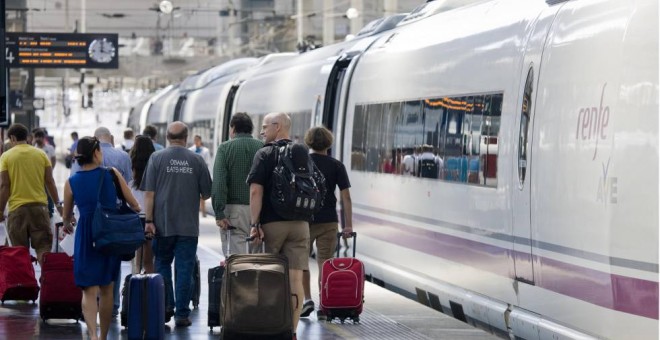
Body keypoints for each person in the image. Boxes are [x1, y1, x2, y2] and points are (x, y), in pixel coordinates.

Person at [61, 136, 140, 340]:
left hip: (86, 234)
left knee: (88, 289)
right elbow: (133, 203)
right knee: (106, 288)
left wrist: (69, 224)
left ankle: (93, 335)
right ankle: (103, 337)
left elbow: (67, 217)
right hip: (108, 234)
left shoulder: (71, 182)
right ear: (96, 153)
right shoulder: (111, 174)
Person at [142, 121, 212, 327]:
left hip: (162, 224)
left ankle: (166, 306)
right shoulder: (197, 160)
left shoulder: (156, 158)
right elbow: (207, 193)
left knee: (162, 263)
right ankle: (182, 314)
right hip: (188, 226)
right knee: (184, 269)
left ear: (168, 138)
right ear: (187, 137)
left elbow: (149, 193)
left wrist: (148, 220)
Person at [247, 112, 309, 339]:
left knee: (270, 278)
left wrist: (255, 224)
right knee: (295, 280)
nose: (262, 132)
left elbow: (255, 191)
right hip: (301, 224)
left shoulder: (265, 154)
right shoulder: (303, 152)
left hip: (273, 225)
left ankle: (272, 329)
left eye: (264, 127)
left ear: (278, 126)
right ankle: (292, 331)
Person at [70, 127, 133, 318]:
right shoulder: (121, 159)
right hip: (111, 223)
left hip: (86, 223)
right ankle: (112, 304)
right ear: (110, 139)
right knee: (110, 271)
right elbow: (128, 188)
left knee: (89, 272)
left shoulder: (77, 170)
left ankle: (92, 321)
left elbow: (74, 184)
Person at [299, 126, 353, 319]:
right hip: (329, 220)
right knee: (326, 263)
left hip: (305, 219)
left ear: (309, 142)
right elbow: (346, 197)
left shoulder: (302, 163)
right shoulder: (337, 165)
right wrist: (348, 225)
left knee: (302, 261)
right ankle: (324, 304)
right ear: (329, 143)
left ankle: (307, 299)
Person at [0, 123, 63, 266]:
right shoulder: (41, 154)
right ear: (27, 137)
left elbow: (4, 186)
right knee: (43, 249)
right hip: (39, 209)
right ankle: (47, 282)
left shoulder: (6, 157)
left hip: (17, 211)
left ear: (13, 138)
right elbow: (50, 181)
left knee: (19, 252)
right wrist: (58, 205)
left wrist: (0, 209)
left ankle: (25, 284)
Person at [211, 113, 263, 254]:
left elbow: (219, 182)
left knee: (236, 260)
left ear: (233, 128)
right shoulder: (263, 147)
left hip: (233, 211)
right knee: (257, 258)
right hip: (259, 210)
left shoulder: (225, 148)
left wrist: (219, 212)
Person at [129, 135, 156, 274]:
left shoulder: (131, 164)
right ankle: (152, 289)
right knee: (149, 260)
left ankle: (135, 286)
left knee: (137, 259)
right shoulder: (155, 164)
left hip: (135, 214)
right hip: (151, 215)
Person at [189, 135, 212, 217]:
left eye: (197, 140)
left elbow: (207, 162)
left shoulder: (205, 151)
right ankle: (195, 210)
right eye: (195, 140)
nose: (196, 142)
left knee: (202, 194)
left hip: (201, 174)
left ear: (200, 141)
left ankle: (203, 212)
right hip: (192, 174)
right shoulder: (190, 150)